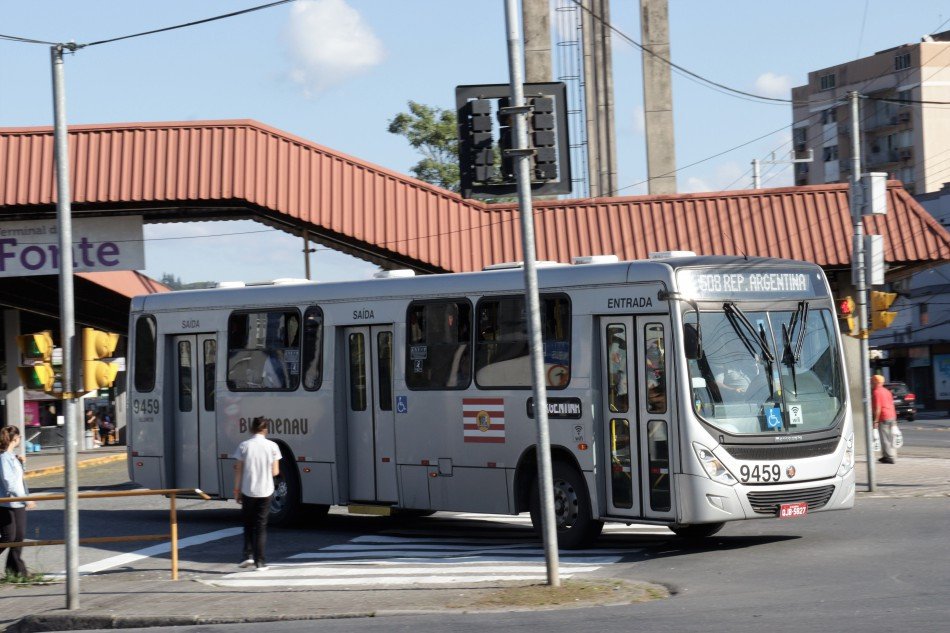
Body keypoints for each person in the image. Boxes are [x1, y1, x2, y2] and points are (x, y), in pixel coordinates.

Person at [232, 417, 281, 571]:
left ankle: (247, 556)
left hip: (248, 490)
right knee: (261, 526)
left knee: (248, 524)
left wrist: (236, 490)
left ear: (251, 429)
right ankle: (260, 561)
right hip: (265, 490)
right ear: (265, 429)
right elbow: (275, 471)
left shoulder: (244, 446)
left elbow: (238, 470)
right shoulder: (273, 446)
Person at [1, 426, 36, 578]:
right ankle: (18, 571)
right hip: (7, 504)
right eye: (20, 437)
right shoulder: (3, 457)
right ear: (14, 439)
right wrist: (25, 498)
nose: (20, 439)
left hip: (18, 503)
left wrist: (21, 463)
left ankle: (15, 570)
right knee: (9, 537)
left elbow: (19, 478)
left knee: (19, 537)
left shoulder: (12, 456)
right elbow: (9, 483)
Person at [872, 374, 899, 464]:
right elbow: (892, 405)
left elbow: (878, 408)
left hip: (884, 417)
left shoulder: (876, 392)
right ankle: (886, 456)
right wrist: (894, 418)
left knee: (885, 438)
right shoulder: (887, 391)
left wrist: (875, 420)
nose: (871, 382)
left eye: (872, 381)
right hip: (891, 416)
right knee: (890, 437)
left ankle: (889, 457)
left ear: (876, 382)